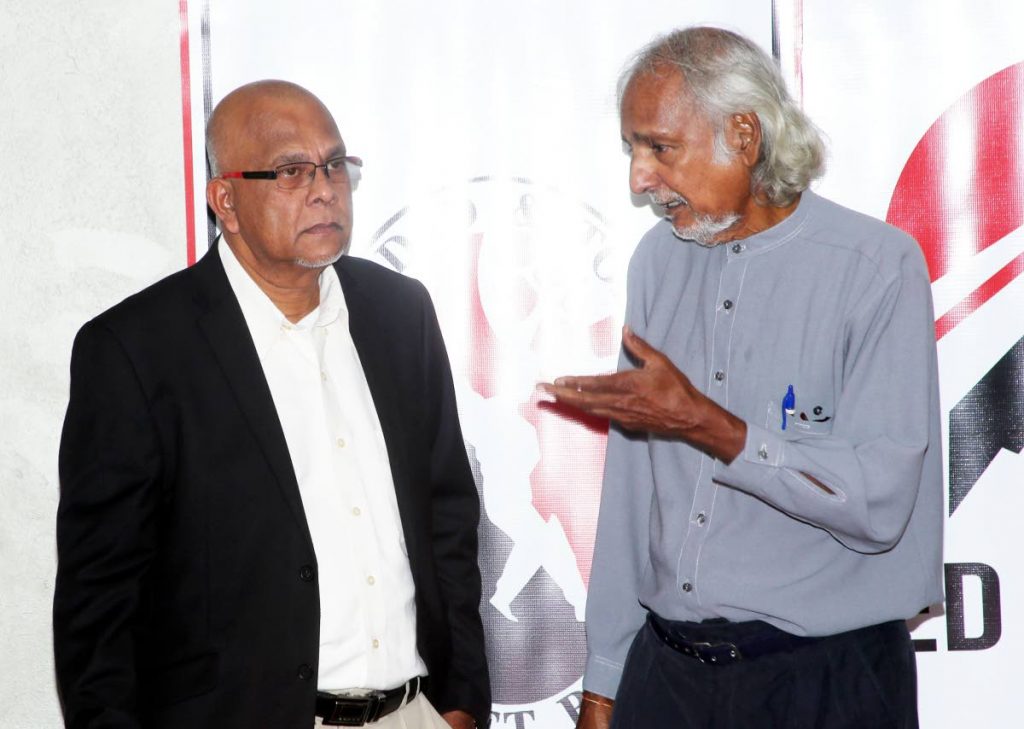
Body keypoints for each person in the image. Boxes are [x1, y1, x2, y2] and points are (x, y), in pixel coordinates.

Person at [54, 80, 490, 729]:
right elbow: (100, 604)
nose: (324, 188)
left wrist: (459, 701)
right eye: (292, 171)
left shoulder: (401, 315)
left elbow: (449, 521)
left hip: (415, 713)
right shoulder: (136, 351)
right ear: (224, 200)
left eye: (336, 165)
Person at [543, 27, 943, 729]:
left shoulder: (876, 267)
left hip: (827, 681)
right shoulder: (657, 263)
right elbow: (633, 492)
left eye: (659, 147)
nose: (639, 178)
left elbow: (880, 504)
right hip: (667, 677)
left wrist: (712, 426)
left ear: (745, 134)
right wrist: (604, 677)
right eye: (634, 150)